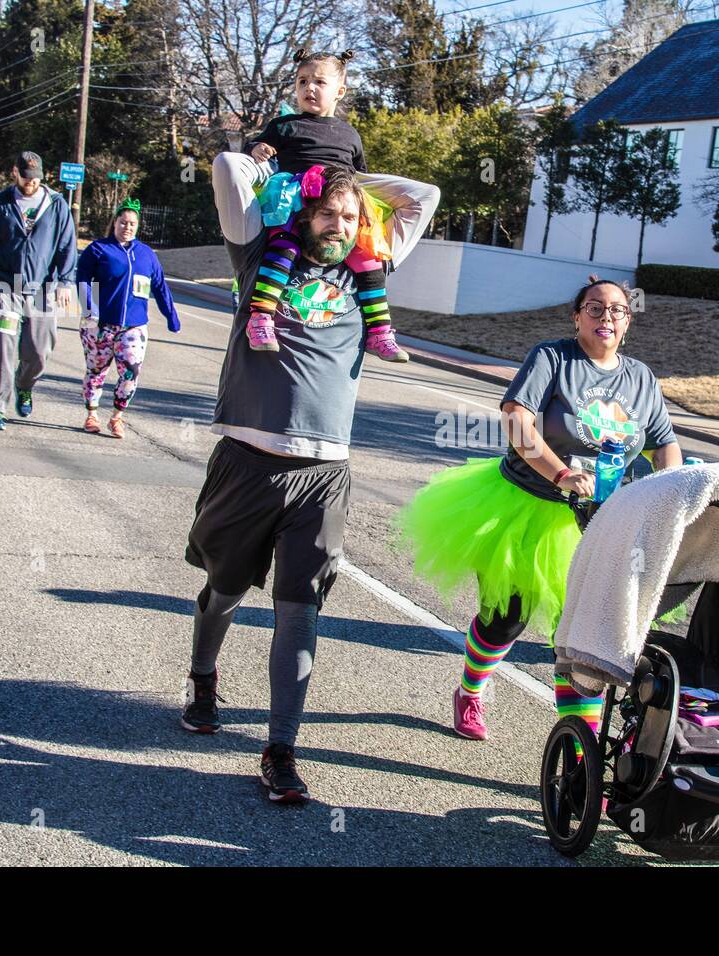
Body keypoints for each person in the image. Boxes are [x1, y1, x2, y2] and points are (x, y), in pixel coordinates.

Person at [179, 151, 439, 803]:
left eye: (351, 217)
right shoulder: (262, 252)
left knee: (300, 612)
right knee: (225, 586)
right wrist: (300, 178)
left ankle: (280, 750)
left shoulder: (366, 274)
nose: (341, 225)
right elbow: (226, 168)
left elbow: (423, 194)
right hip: (248, 459)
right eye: (329, 213)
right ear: (306, 212)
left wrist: (355, 186)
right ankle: (203, 672)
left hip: (324, 471)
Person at [397, 278, 684, 741]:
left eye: (617, 310)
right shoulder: (553, 358)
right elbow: (516, 417)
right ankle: (471, 691)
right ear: (576, 317)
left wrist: (668, 489)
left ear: (628, 321)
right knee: (504, 620)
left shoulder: (641, 379)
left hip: (598, 521)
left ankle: (578, 750)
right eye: (594, 308)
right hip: (528, 505)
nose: (605, 317)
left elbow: (664, 444)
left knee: (580, 639)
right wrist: (561, 474)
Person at [243, 48, 409, 363]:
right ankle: (260, 318)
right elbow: (254, 146)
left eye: (319, 82)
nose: (310, 89)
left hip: (340, 210)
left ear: (340, 91)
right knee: (283, 251)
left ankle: (380, 332)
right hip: (297, 208)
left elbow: (360, 176)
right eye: (302, 81)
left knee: (369, 261)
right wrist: (258, 148)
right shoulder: (285, 126)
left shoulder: (350, 134)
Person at [0, 151, 77, 431]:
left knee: (39, 352)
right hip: (6, 288)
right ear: (15, 172)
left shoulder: (56, 205)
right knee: (3, 350)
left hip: (43, 289)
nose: (31, 183)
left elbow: (67, 246)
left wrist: (65, 282)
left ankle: (24, 384)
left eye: (36, 178)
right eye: (26, 178)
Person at [75, 198, 181, 438]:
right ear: (115, 223)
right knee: (96, 371)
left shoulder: (146, 254)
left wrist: (171, 316)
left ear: (138, 226)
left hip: (133, 327)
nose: (128, 227)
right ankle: (92, 414)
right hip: (99, 325)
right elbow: (82, 279)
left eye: (132, 223)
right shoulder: (98, 249)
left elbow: (160, 287)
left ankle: (116, 416)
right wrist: (89, 308)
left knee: (131, 371)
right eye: (123, 222)